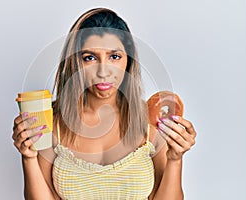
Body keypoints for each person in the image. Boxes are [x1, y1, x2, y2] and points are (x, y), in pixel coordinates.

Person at [12, 8, 196, 200]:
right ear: (75, 63)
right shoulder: (52, 123)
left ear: (129, 61)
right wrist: (28, 157)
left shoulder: (150, 120)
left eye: (114, 57)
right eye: (89, 58)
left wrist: (175, 159)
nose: (103, 71)